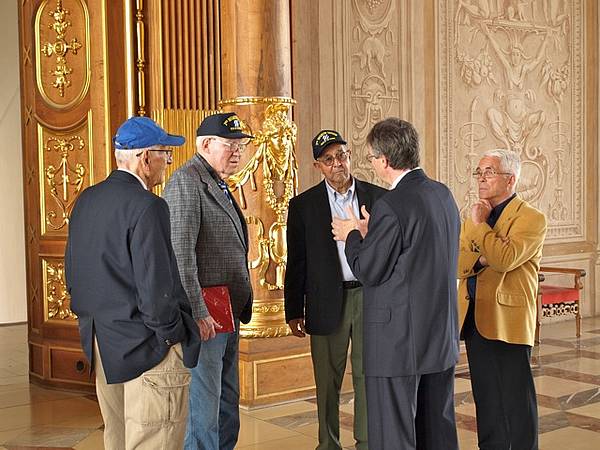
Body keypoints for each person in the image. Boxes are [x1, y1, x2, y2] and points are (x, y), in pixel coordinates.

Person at [64, 116, 201, 450]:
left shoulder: (86, 200)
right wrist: (172, 336)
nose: (168, 162)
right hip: (148, 347)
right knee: (157, 438)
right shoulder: (148, 206)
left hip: (103, 344)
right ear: (145, 158)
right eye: (165, 153)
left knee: (118, 439)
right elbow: (157, 287)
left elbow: (72, 276)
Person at [332, 118, 460, 450]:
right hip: (439, 336)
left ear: (385, 160)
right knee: (438, 432)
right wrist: (374, 234)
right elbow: (415, 254)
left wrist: (353, 236)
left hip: (398, 343)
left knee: (394, 436)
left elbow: (369, 270)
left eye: (372, 158)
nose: (372, 164)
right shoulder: (443, 195)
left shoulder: (391, 204)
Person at [284, 130, 386, 450]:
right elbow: (296, 260)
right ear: (318, 166)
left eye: (341, 155)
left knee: (368, 374)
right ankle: (328, 444)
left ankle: (366, 442)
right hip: (325, 300)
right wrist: (293, 310)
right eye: (328, 159)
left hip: (370, 297)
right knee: (327, 381)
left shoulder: (379, 198)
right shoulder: (303, 206)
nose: (337, 163)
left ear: (350, 156)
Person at [162, 112, 253, 450]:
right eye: (230, 145)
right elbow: (180, 255)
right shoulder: (186, 182)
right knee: (205, 405)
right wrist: (198, 312)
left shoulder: (217, 181)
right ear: (205, 145)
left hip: (227, 309)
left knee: (226, 400)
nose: (237, 152)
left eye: (241, 146)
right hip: (206, 314)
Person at [458, 149, 546, 450]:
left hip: (508, 320)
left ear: (510, 179)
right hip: (474, 316)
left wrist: (481, 228)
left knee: (515, 399)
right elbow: (456, 261)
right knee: (486, 398)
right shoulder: (472, 216)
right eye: (479, 172)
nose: (481, 178)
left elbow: (505, 259)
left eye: (489, 172)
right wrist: (482, 258)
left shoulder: (531, 218)